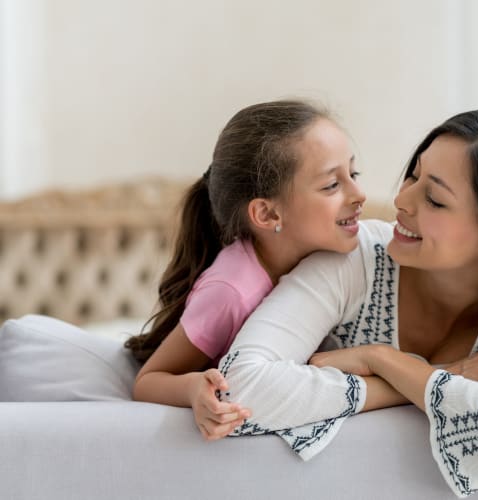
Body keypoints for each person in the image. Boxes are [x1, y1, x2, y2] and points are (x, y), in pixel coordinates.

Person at [219, 109, 478, 497]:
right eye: (413, 175)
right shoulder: (358, 259)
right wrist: (447, 374)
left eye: (434, 199)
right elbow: (240, 387)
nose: (401, 200)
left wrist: (381, 361)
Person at [124, 99, 366, 440]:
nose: (359, 194)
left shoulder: (331, 258)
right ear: (267, 215)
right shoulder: (231, 292)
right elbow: (149, 381)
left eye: (353, 174)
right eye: (331, 185)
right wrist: (194, 388)